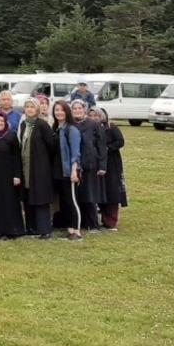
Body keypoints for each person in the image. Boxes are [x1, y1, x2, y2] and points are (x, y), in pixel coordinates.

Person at [18, 98, 57, 239]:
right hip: (26, 167)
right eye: (27, 106)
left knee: (41, 198)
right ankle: (31, 227)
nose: (29, 109)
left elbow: (51, 145)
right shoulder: (23, 125)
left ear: (37, 109)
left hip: (40, 168)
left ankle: (44, 229)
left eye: (32, 107)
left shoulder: (42, 125)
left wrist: (44, 160)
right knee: (29, 197)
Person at [0, 110, 25, 239]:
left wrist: (17, 175)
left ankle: (10, 230)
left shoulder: (11, 136)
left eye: (2, 121)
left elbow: (17, 157)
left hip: (8, 175)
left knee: (7, 202)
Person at [71, 100, 106, 232]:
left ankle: (93, 224)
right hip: (76, 164)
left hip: (91, 164)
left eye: (80, 108)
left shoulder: (94, 124)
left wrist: (102, 165)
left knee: (90, 195)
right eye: (75, 109)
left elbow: (101, 146)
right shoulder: (71, 124)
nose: (77, 111)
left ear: (84, 109)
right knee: (77, 195)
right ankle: (80, 222)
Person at [52, 100, 82, 241]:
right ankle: (69, 228)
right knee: (64, 201)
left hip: (69, 170)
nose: (59, 112)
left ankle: (76, 230)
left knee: (72, 200)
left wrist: (74, 171)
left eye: (61, 110)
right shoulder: (57, 128)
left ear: (67, 112)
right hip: (58, 170)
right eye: (56, 110)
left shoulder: (72, 129)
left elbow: (76, 153)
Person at [97, 108, 127, 231]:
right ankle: (104, 218)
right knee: (101, 191)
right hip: (99, 163)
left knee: (112, 192)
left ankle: (111, 220)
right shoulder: (94, 128)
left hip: (112, 163)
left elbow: (120, 141)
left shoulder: (111, 127)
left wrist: (108, 148)